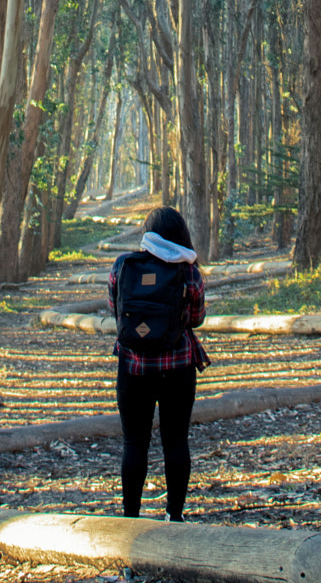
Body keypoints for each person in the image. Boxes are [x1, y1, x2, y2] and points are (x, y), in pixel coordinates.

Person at [107, 206, 209, 521]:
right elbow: (197, 318)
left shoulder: (123, 266)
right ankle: (174, 516)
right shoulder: (189, 271)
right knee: (176, 440)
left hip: (133, 367)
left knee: (134, 442)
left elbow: (116, 310)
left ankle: (131, 518)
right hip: (178, 367)